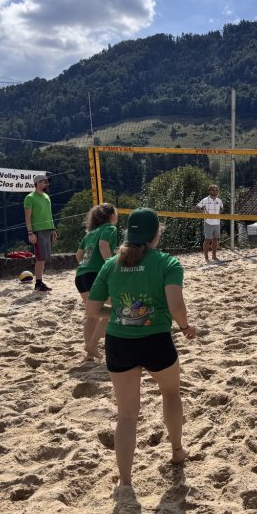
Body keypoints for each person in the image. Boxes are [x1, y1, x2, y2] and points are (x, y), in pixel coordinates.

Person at [86, 208, 197, 486]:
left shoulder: (111, 264)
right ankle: (176, 451)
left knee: (126, 415)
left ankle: (125, 480)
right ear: (156, 234)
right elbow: (176, 306)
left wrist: (120, 314)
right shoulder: (168, 263)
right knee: (171, 393)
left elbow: (93, 309)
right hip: (155, 339)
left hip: (119, 342)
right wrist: (185, 327)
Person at [75, 203, 118, 358]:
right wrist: (112, 266)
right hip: (95, 274)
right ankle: (92, 345)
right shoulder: (110, 228)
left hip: (81, 275)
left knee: (92, 314)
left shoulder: (90, 233)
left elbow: (78, 256)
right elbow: (103, 245)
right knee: (116, 309)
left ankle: (90, 353)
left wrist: (86, 267)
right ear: (111, 215)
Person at [24, 173, 57, 292]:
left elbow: (49, 214)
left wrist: (53, 229)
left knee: (43, 258)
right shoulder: (30, 197)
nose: (47, 184)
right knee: (40, 258)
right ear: (37, 183)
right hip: (37, 231)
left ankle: (40, 282)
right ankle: (38, 283)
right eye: (45, 182)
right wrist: (30, 232)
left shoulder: (46, 197)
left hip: (48, 230)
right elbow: (27, 217)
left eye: (47, 182)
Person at [193, 185, 223, 263]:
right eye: (213, 190)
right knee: (207, 239)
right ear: (209, 191)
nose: (215, 192)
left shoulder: (219, 200)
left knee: (215, 239)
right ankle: (206, 258)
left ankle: (214, 256)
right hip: (208, 222)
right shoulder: (205, 200)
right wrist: (204, 214)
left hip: (217, 222)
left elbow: (222, 208)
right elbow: (196, 208)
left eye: (216, 190)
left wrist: (219, 214)